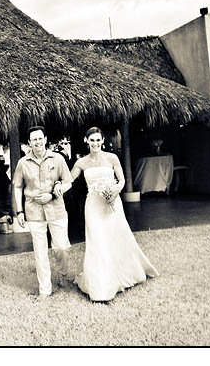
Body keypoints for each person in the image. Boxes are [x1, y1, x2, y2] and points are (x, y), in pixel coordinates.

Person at [70, 126, 159, 301]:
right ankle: (100, 285)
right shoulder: (81, 162)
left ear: (102, 141)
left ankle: (124, 273)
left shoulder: (112, 158)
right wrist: (58, 186)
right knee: (97, 241)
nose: (95, 143)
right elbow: (69, 180)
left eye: (98, 140)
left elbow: (122, 179)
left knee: (116, 237)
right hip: (93, 206)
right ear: (86, 141)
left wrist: (115, 191)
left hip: (112, 203)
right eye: (92, 140)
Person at [12, 125, 73, 297]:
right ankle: (45, 290)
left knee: (62, 248)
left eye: (40, 138)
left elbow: (68, 181)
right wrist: (19, 211)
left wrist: (56, 192)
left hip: (57, 210)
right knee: (40, 252)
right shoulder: (23, 163)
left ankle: (62, 274)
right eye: (34, 139)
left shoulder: (58, 158)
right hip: (33, 212)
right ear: (29, 143)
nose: (37, 142)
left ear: (45, 139)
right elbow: (17, 186)